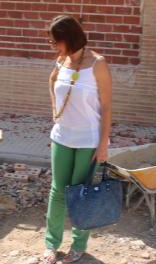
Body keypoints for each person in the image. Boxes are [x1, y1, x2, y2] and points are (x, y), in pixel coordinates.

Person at [43, 15, 112, 264]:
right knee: (57, 191)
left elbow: (106, 106)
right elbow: (52, 81)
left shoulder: (97, 63)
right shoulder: (62, 60)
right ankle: (51, 244)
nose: (53, 47)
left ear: (68, 39)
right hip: (62, 137)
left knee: (80, 193)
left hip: (88, 140)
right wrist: (55, 110)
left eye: (55, 42)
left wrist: (103, 143)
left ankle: (79, 244)